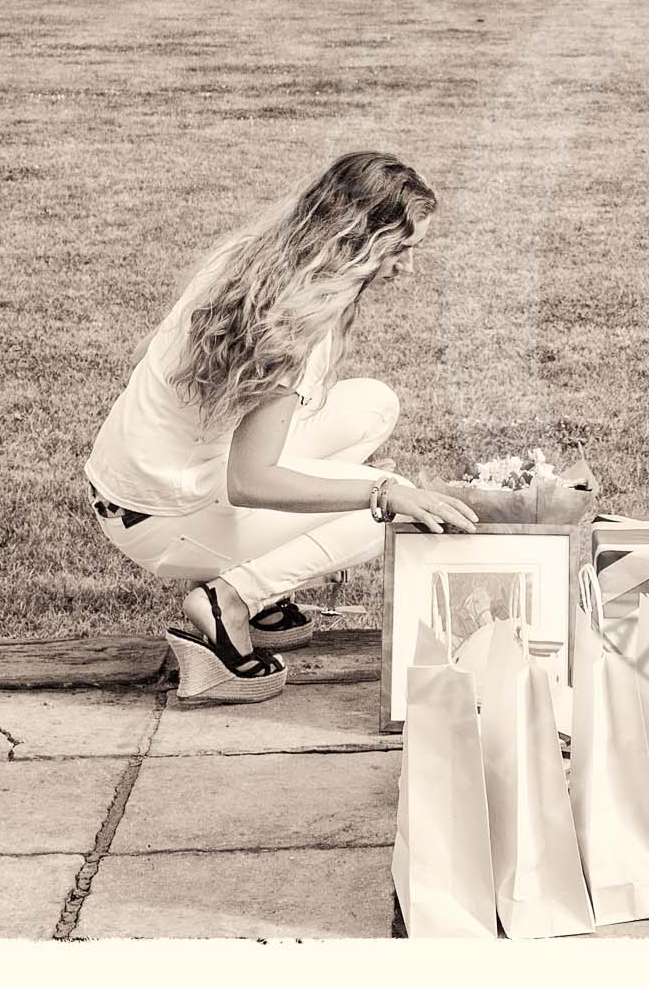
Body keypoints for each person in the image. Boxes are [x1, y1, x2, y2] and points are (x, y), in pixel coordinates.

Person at [85, 151, 479, 703]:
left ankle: (255, 587)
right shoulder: (293, 325)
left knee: (373, 405)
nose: (408, 269)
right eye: (400, 249)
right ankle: (229, 600)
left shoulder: (252, 258)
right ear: (358, 239)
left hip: (136, 484)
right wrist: (377, 491)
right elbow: (249, 481)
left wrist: (349, 483)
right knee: (389, 511)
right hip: (160, 519)